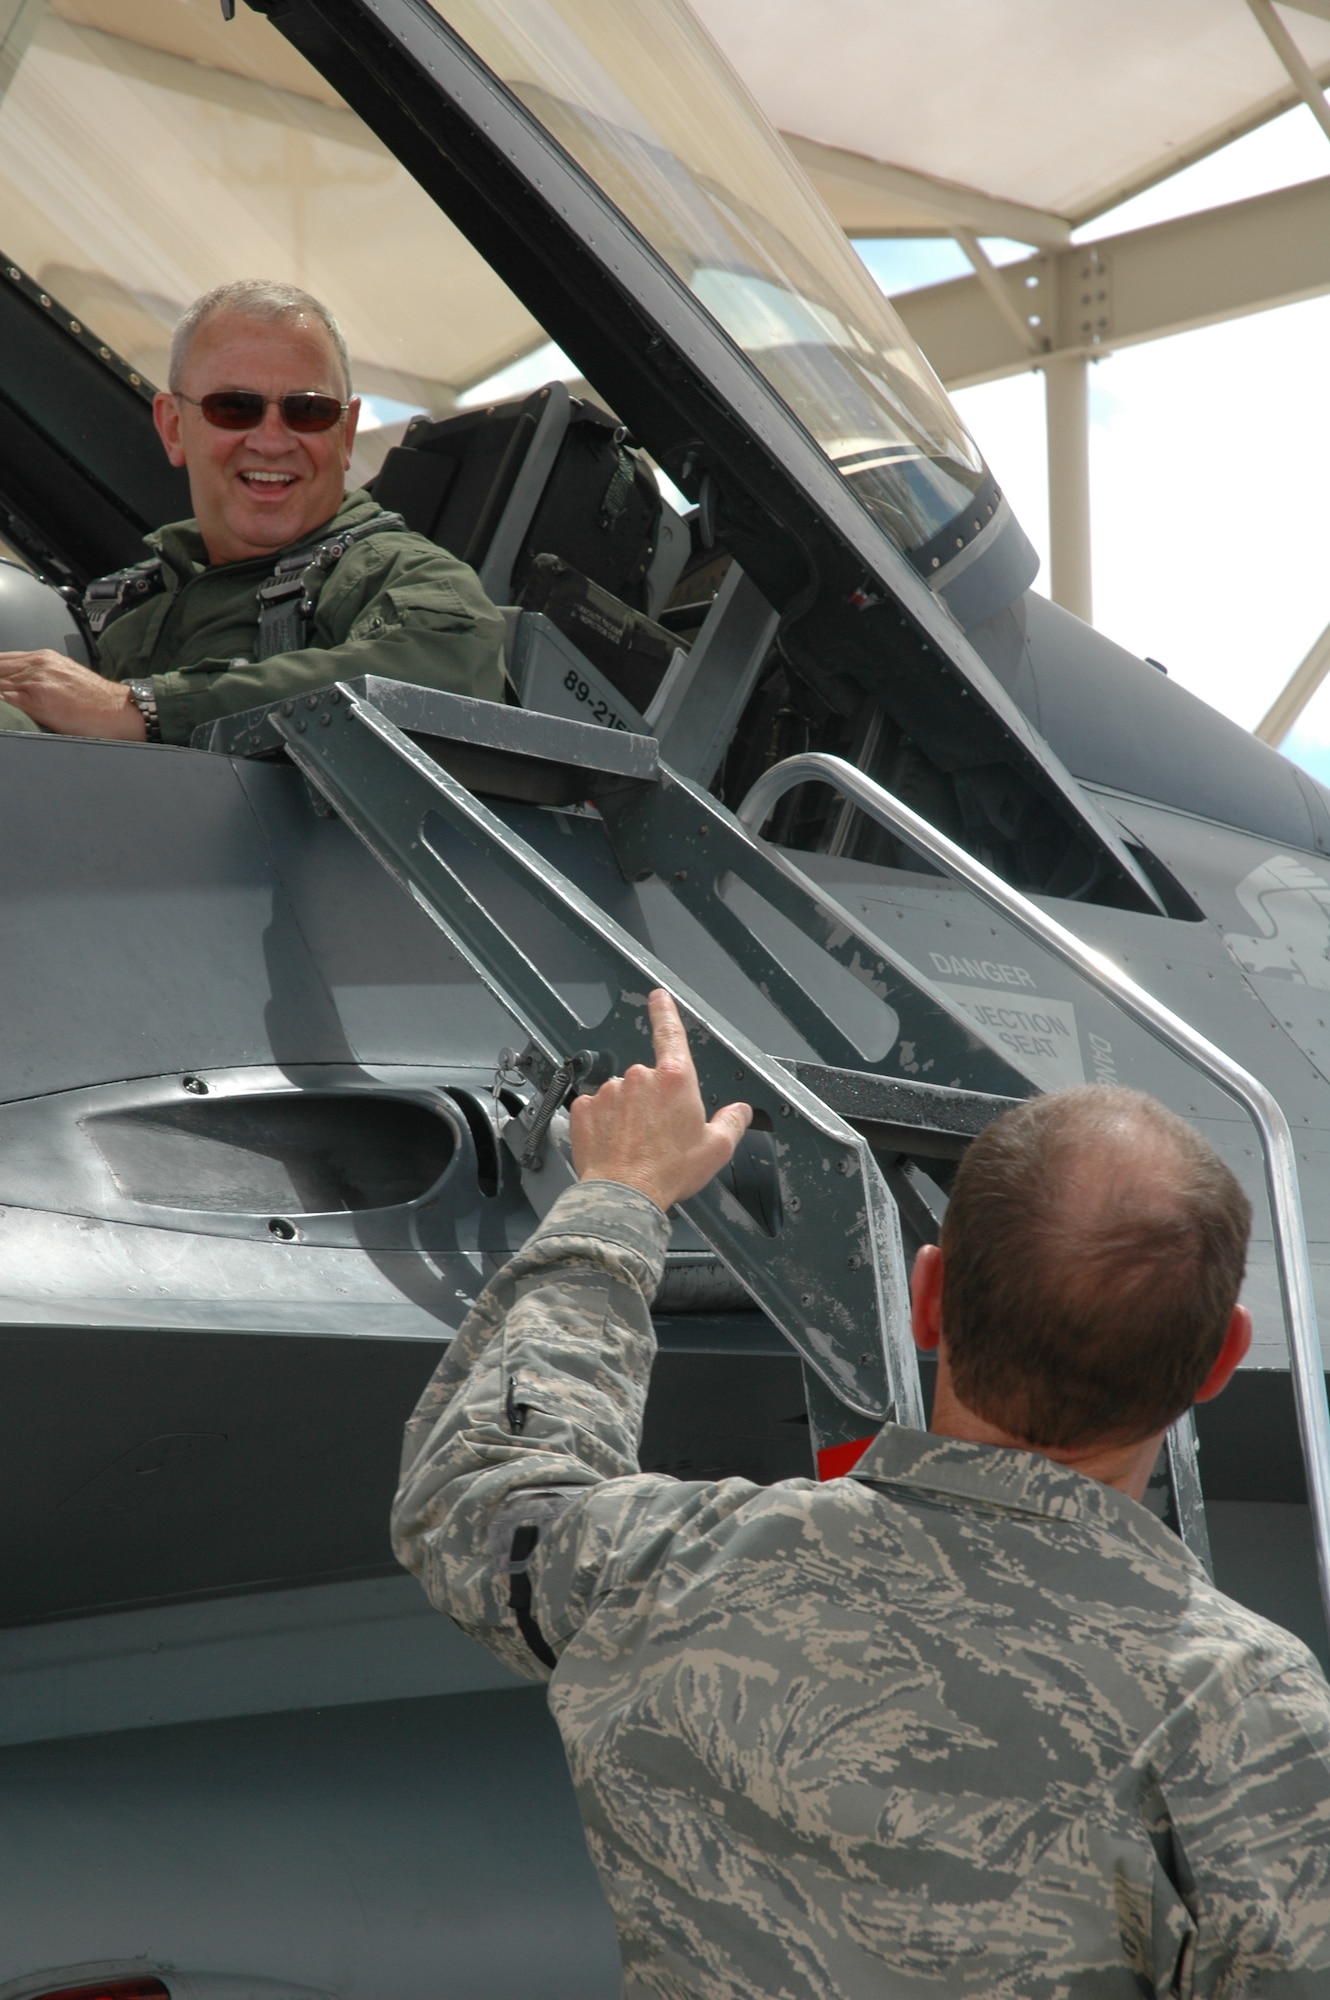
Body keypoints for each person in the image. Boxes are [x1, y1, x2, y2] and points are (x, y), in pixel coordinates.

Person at [391, 989, 1330, 1999]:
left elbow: (483, 1502)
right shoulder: (1247, 1711)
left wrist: (619, 1195)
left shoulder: (685, 1567)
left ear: (927, 1296)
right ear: (1221, 1357)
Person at [0, 280, 504, 742]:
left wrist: (143, 709)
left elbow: (450, 667)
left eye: (308, 411)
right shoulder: (129, 605)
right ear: (174, 427)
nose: (270, 440)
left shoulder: (395, 573)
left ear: (345, 437)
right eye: (234, 407)